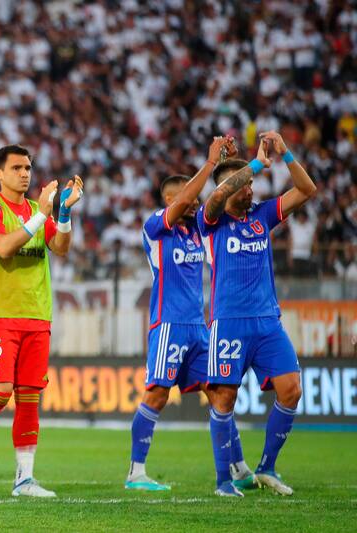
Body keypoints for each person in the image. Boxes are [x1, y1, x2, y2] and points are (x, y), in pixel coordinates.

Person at [125, 136, 256, 492]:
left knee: (219, 393)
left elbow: (215, 201)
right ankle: (136, 473)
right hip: (168, 325)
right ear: (171, 200)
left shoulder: (197, 229)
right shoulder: (155, 226)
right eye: (190, 196)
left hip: (199, 328)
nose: (196, 201)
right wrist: (209, 164)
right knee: (157, 395)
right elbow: (187, 197)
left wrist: (239, 167)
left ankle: (240, 468)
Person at [0, 144, 83, 497]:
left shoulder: (37, 210)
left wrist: (64, 213)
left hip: (37, 313)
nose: (25, 173)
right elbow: (4, 248)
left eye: (28, 167)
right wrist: (42, 215)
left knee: (28, 397)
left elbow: (61, 247)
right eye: (17, 168)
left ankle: (24, 479)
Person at [198, 131, 316, 496]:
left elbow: (307, 190)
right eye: (246, 185)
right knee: (224, 399)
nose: (252, 190)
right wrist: (254, 165)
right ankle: (223, 481)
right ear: (231, 186)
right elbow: (216, 195)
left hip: (267, 323)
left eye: (252, 185)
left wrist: (284, 154)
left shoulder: (262, 216)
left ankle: (267, 466)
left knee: (292, 389)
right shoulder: (211, 221)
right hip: (228, 322)